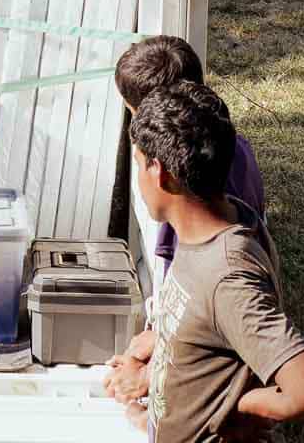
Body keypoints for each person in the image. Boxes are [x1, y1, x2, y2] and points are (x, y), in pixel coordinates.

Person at [130, 82, 304, 441]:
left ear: (160, 174)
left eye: (139, 164)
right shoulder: (218, 218)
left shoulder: (226, 276)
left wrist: (239, 405)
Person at [105, 35, 267, 405]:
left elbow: (207, 313)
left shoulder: (197, 209)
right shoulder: (228, 148)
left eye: (133, 116)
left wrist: (149, 373)